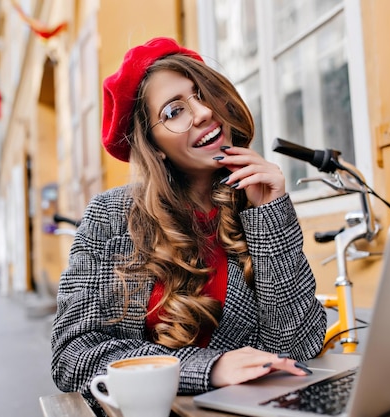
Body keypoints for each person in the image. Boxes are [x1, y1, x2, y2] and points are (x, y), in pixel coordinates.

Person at [51, 37, 327, 415]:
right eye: (174, 111)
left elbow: (296, 345)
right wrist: (206, 369)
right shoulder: (111, 216)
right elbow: (72, 356)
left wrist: (270, 212)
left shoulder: (255, 205)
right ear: (155, 145)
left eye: (202, 94)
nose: (201, 113)